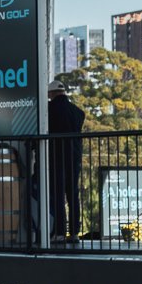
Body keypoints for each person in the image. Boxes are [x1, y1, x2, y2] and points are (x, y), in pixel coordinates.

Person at [47, 80, 85, 241]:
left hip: (56, 155)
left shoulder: (49, 110)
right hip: (74, 156)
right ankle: (75, 232)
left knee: (57, 194)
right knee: (72, 194)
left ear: (51, 94)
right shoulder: (78, 112)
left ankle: (60, 232)